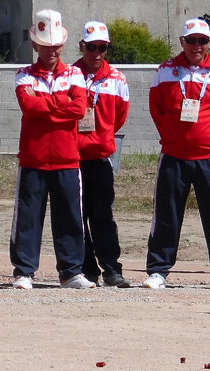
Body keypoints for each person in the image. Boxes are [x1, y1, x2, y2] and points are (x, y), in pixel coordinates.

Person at [143, 17, 210, 291]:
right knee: (167, 214)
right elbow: (157, 109)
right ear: (182, 42)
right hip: (174, 155)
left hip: (209, 156)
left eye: (202, 41)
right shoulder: (165, 70)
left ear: (209, 43)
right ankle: (158, 270)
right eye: (191, 41)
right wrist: (170, 136)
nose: (196, 46)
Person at [9, 9, 92, 289]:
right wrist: (62, 103)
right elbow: (28, 106)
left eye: (55, 45)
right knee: (28, 217)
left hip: (67, 158)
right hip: (33, 157)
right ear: (35, 46)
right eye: (45, 46)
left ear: (63, 45)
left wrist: (46, 104)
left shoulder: (76, 75)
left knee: (69, 216)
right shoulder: (24, 75)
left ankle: (71, 272)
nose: (51, 50)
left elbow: (79, 108)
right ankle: (24, 271)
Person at [73, 20, 132, 288]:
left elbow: (119, 118)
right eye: (91, 47)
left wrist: (101, 135)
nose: (97, 53)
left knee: (103, 216)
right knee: (77, 216)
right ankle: (86, 270)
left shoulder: (117, 79)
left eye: (102, 48)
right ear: (82, 46)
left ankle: (111, 268)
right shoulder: (68, 75)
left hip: (100, 158)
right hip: (72, 159)